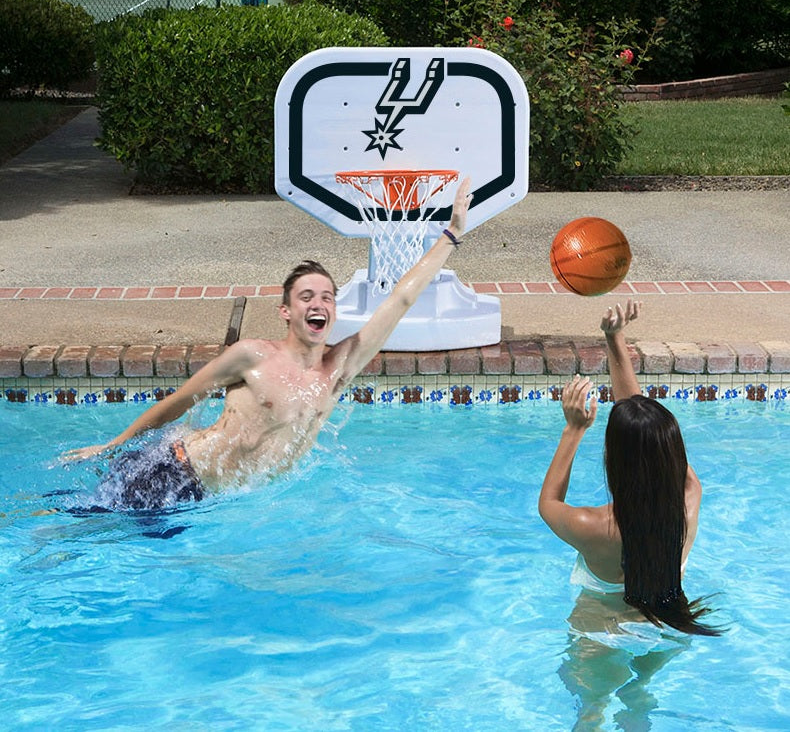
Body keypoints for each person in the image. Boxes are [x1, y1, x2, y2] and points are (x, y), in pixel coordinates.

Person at [64, 178, 472, 510]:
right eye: (306, 297)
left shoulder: (337, 371)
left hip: (204, 500)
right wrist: (113, 445)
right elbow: (181, 400)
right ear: (286, 312)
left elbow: (400, 298)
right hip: (173, 471)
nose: (318, 304)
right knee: (71, 525)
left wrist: (451, 235)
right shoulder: (252, 356)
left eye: (327, 297)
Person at [538, 300, 721, 636]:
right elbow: (644, 430)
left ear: (614, 462)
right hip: (668, 618)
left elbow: (548, 504)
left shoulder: (594, 527)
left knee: (589, 690)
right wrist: (615, 338)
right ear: (674, 456)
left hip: (601, 626)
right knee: (642, 691)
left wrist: (574, 430)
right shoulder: (689, 498)